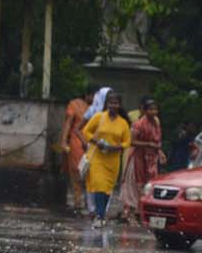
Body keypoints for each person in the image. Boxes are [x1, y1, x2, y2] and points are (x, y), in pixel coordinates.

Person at [80, 88, 131, 230]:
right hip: (98, 158)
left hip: (113, 160)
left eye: (115, 103)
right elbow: (86, 131)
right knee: (98, 186)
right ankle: (99, 216)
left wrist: (117, 147)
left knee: (107, 189)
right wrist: (96, 142)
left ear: (119, 105)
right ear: (106, 104)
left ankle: (101, 213)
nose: (113, 106)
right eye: (110, 103)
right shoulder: (99, 117)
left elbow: (127, 141)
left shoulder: (123, 123)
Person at [114, 96, 163, 225]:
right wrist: (148, 145)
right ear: (145, 111)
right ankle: (130, 212)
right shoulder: (139, 124)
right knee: (136, 185)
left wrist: (159, 152)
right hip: (138, 158)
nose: (154, 112)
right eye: (151, 110)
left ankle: (141, 212)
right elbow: (132, 141)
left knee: (150, 184)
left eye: (155, 109)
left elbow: (157, 141)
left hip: (151, 159)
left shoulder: (156, 122)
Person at [61, 95, 91, 211]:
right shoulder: (75, 104)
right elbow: (68, 123)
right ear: (88, 95)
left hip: (91, 143)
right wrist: (63, 141)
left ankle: (90, 204)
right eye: (93, 95)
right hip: (76, 143)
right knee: (76, 172)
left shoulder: (98, 106)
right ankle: (78, 203)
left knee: (90, 174)